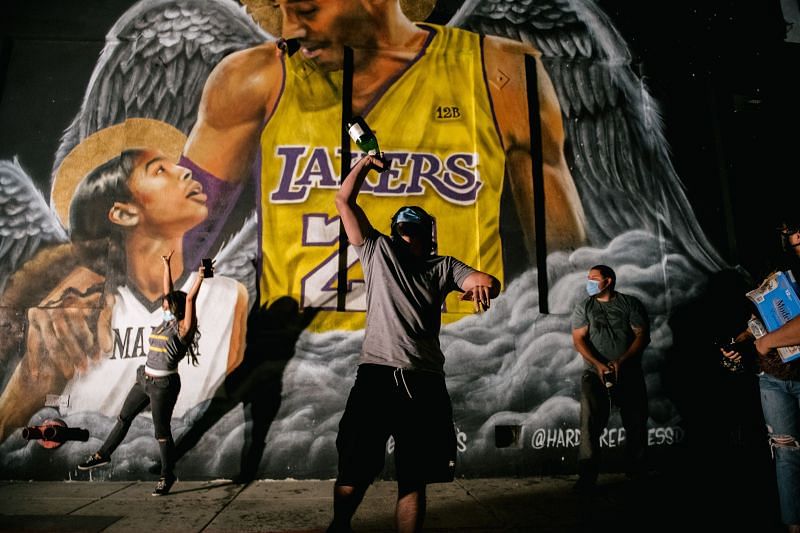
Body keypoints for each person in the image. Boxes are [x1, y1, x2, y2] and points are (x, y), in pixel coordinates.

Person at [181, 0, 586, 326]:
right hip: (306, 369)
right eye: (282, 10)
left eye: (306, 11)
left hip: (458, 356)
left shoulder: (500, 72)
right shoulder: (251, 79)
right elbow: (181, 232)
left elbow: (564, 267)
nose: (290, 30)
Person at [0, 129, 248, 446]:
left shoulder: (227, 297)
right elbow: (8, 422)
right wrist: (33, 370)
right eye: (159, 169)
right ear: (124, 212)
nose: (186, 169)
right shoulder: (80, 310)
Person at [328, 153, 500, 531]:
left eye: (413, 231)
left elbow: (486, 281)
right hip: (377, 376)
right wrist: (363, 165)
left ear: (426, 236)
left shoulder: (442, 267)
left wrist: (484, 289)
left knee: (414, 477)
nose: (405, 237)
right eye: (401, 230)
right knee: (354, 471)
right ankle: (340, 526)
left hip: (423, 381)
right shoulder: (377, 251)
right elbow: (344, 201)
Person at [77, 252, 205, 496]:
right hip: (144, 380)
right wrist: (166, 265)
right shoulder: (166, 321)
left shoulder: (183, 330)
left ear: (176, 310)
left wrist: (199, 278)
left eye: (168, 306)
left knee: (161, 432)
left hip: (163, 385)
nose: (163, 307)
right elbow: (169, 294)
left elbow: (189, 301)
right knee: (124, 418)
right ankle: (102, 455)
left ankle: (167, 476)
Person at [723, 221, 800, 532]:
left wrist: (765, 343)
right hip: (774, 378)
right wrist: (740, 343)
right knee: (786, 453)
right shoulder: (777, 272)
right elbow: (760, 321)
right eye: (795, 231)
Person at [571, 264, 650, 492]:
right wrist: (597, 365)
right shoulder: (584, 306)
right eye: (588, 278)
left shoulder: (630, 304)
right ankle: (587, 476)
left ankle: (637, 472)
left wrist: (622, 361)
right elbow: (578, 339)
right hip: (594, 376)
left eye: (594, 278)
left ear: (608, 281)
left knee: (636, 423)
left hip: (630, 374)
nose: (589, 282)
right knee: (589, 425)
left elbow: (642, 335)